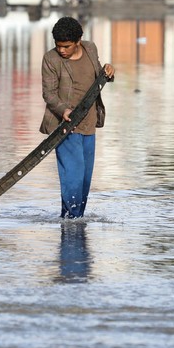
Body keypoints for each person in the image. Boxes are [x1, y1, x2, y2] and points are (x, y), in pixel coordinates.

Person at [40, 16, 115, 219]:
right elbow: (49, 93)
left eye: (66, 46)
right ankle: (72, 222)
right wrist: (63, 109)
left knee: (84, 180)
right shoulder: (51, 59)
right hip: (65, 126)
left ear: (79, 41)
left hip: (89, 124)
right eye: (58, 46)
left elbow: (98, 74)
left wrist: (108, 70)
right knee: (72, 177)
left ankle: (73, 219)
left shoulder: (90, 49)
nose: (62, 50)